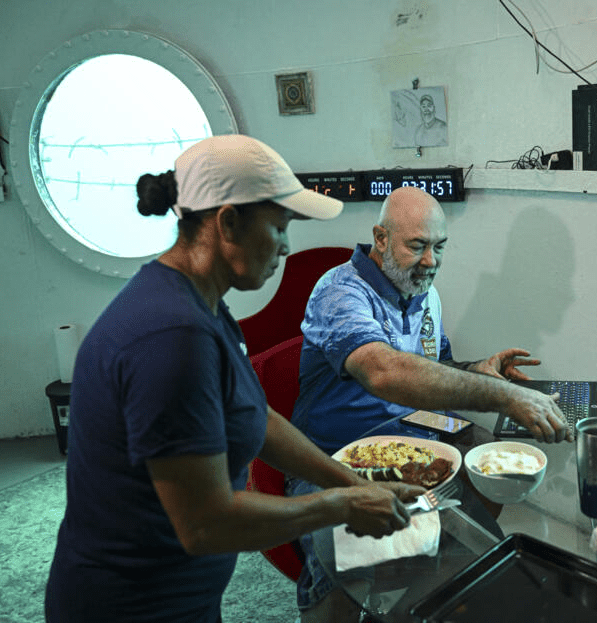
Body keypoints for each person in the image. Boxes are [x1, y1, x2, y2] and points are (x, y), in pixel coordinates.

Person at [43, 135, 424, 623]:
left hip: (185, 595)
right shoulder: (172, 336)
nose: (287, 247)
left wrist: (349, 480)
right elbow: (205, 524)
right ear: (227, 222)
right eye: (280, 227)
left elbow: (255, 417)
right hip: (133, 604)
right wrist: (343, 504)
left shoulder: (200, 305)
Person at [287, 185, 572, 616]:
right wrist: (505, 397)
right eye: (417, 246)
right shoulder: (340, 292)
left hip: (409, 446)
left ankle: (432, 597)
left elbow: (433, 366)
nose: (431, 262)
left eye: (439, 247)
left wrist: (478, 369)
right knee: (339, 560)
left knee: (479, 500)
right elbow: (384, 371)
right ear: (380, 239)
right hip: (330, 457)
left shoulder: (424, 293)